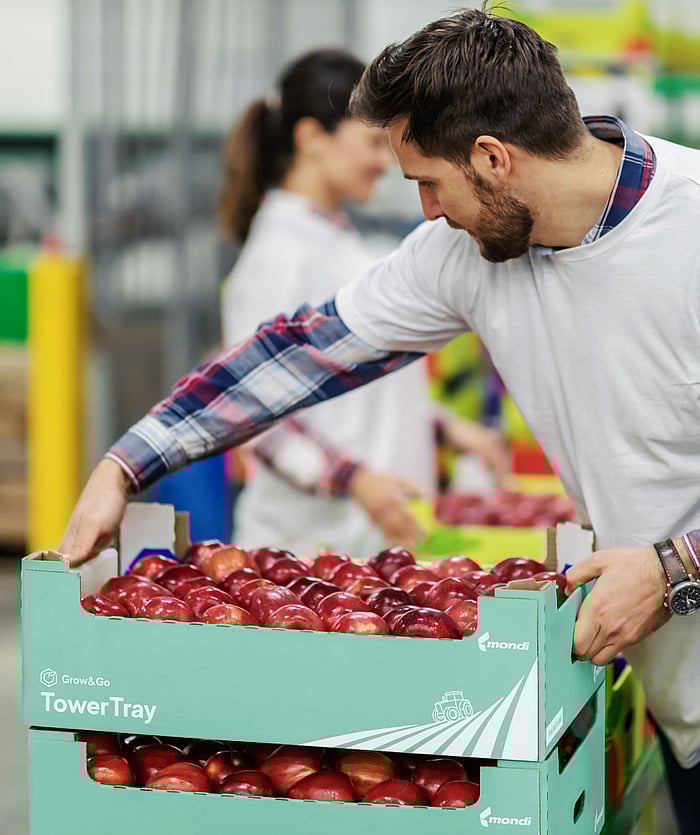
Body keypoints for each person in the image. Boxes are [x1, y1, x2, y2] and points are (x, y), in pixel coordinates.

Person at [61, 9, 700, 829]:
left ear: (494, 159)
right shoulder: (464, 256)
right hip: (677, 695)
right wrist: (129, 461)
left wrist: (676, 566)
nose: (427, 212)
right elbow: (300, 353)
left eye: (428, 182)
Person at [218, 48, 509, 556]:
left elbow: (351, 386)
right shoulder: (279, 257)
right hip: (306, 556)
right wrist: (356, 481)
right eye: (373, 142)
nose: (385, 161)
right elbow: (254, 417)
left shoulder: (335, 242)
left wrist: (442, 426)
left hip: (362, 544)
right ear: (311, 139)